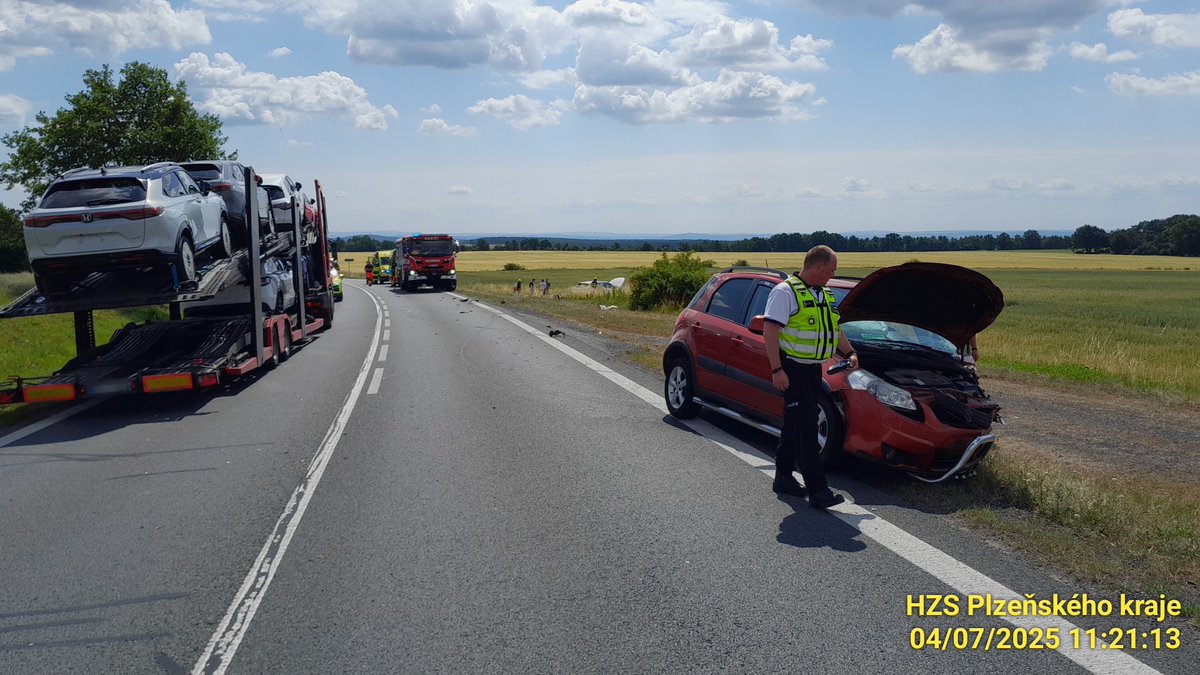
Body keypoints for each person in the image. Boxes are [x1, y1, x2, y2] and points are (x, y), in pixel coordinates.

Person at [761, 245, 857, 509]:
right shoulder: (785, 292)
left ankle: (782, 478)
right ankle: (818, 490)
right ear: (818, 267)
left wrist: (849, 351)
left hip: (814, 370)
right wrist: (777, 370)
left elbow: (834, 328)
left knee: (793, 424)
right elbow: (770, 332)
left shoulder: (824, 293)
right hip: (792, 370)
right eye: (831, 269)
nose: (833, 274)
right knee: (806, 428)